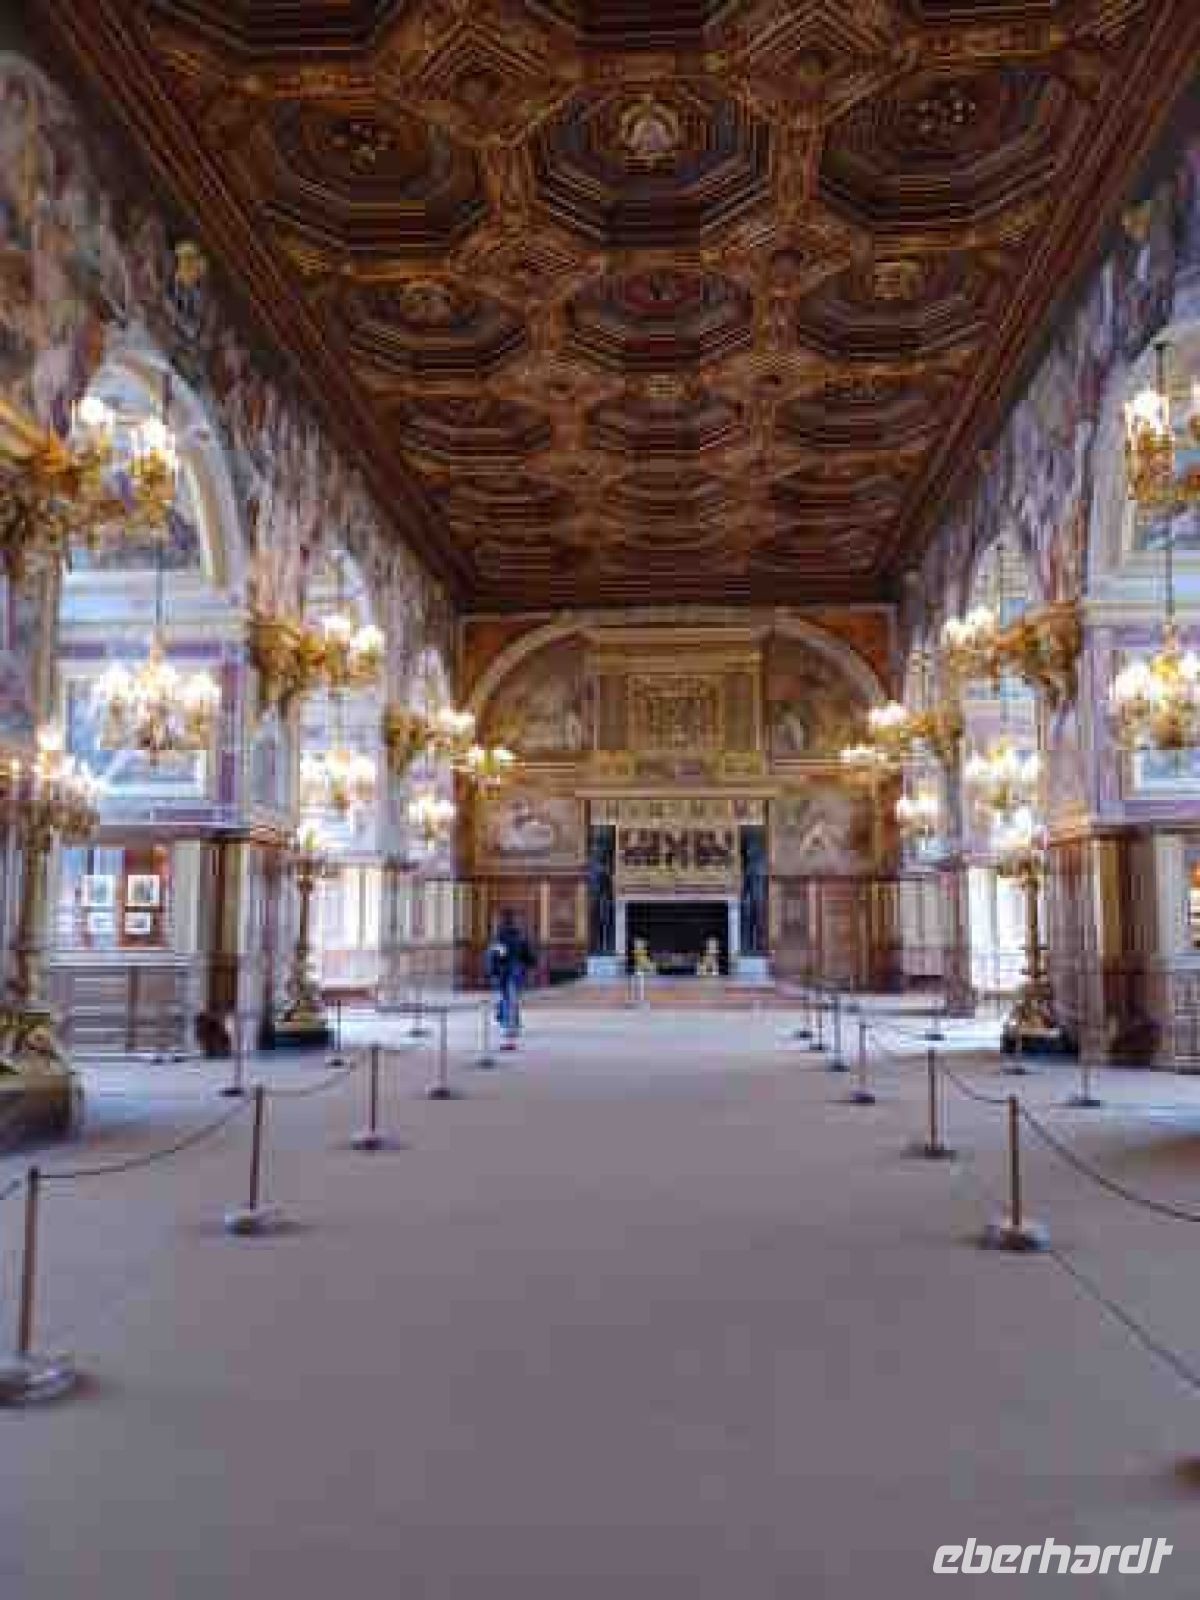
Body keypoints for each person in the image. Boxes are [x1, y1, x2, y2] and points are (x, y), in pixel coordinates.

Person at [486, 909, 536, 1047]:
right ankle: (510, 1023)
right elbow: (528, 956)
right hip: (515, 973)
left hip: (505, 974)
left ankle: (509, 1025)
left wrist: (492, 972)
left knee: (507, 999)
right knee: (511, 999)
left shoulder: (499, 938)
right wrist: (531, 966)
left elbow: (493, 957)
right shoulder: (519, 937)